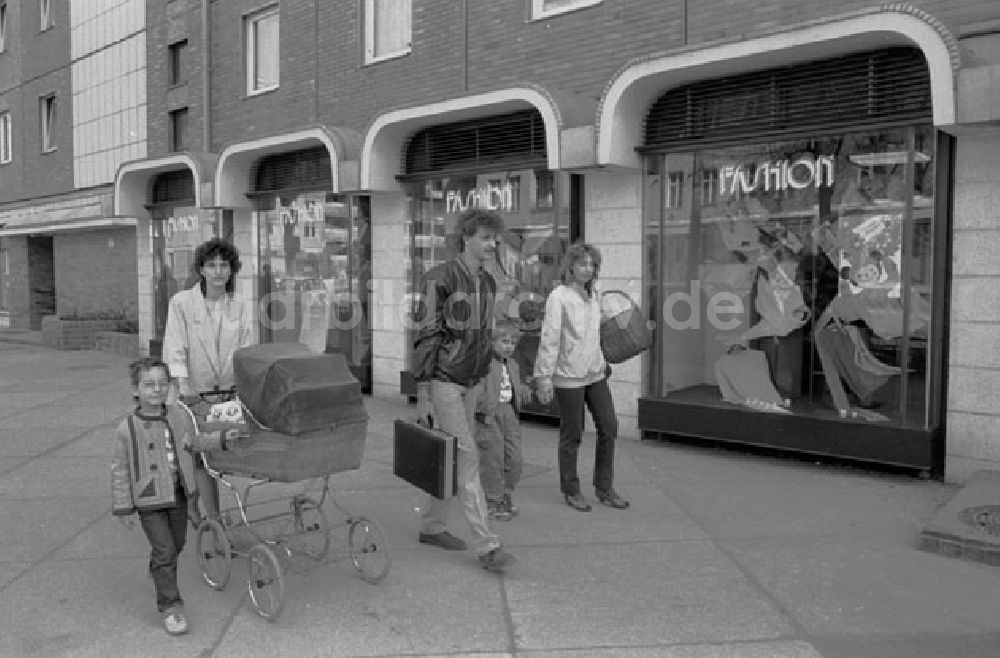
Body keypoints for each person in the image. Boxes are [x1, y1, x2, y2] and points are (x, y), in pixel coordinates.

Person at [412, 209, 516, 574]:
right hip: (444, 381)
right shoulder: (439, 278)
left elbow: (484, 337)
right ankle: (488, 545)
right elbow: (426, 336)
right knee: (467, 455)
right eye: (485, 238)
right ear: (466, 238)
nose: (492, 244)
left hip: (470, 380)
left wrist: (487, 385)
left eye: (494, 238)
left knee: (451, 455)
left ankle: (432, 526)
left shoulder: (487, 283)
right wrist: (422, 392)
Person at [111, 358, 246, 636]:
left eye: (163, 384)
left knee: (177, 544)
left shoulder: (178, 416)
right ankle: (171, 607)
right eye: (149, 385)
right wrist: (123, 507)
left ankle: (158, 570)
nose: (157, 390)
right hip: (149, 500)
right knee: (165, 550)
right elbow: (120, 470)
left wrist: (221, 438)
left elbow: (194, 443)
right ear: (135, 390)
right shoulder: (127, 428)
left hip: (179, 495)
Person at [162, 238, 254, 523]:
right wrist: (181, 383)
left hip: (227, 392)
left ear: (231, 269)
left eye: (224, 265)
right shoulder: (182, 303)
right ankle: (210, 517)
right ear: (201, 269)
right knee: (200, 456)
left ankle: (197, 503)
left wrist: (247, 383)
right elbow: (175, 345)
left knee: (218, 455)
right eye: (211, 265)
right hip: (194, 392)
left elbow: (246, 346)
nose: (218, 271)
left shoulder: (238, 304)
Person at [534, 242, 630, 512]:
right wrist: (543, 377)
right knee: (572, 433)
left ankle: (604, 487)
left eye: (592, 265)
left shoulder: (594, 295)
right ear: (571, 266)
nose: (588, 269)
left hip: (595, 372)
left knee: (609, 427)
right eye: (582, 264)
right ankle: (571, 489)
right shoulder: (559, 296)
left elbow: (599, 331)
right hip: (568, 375)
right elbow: (550, 338)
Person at [475, 318, 531, 521]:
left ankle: (505, 493)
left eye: (513, 343)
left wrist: (523, 389)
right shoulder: (484, 364)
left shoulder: (513, 365)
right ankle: (492, 501)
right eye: (504, 342)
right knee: (492, 459)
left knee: (514, 458)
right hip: (489, 415)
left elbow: (515, 385)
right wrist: (481, 406)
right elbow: (476, 388)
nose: (509, 347)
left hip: (509, 413)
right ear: (492, 342)